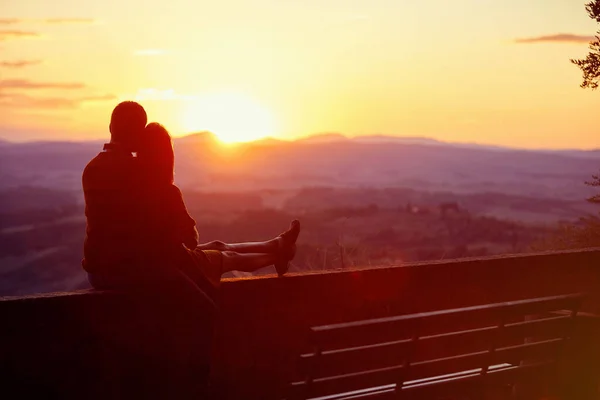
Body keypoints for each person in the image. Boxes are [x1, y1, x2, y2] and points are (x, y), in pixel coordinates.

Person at [82, 102, 300, 302]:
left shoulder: (91, 169)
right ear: (138, 135)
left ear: (111, 127)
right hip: (131, 268)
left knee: (217, 248)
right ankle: (278, 252)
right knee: (217, 268)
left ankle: (277, 246)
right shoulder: (138, 174)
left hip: (99, 267)